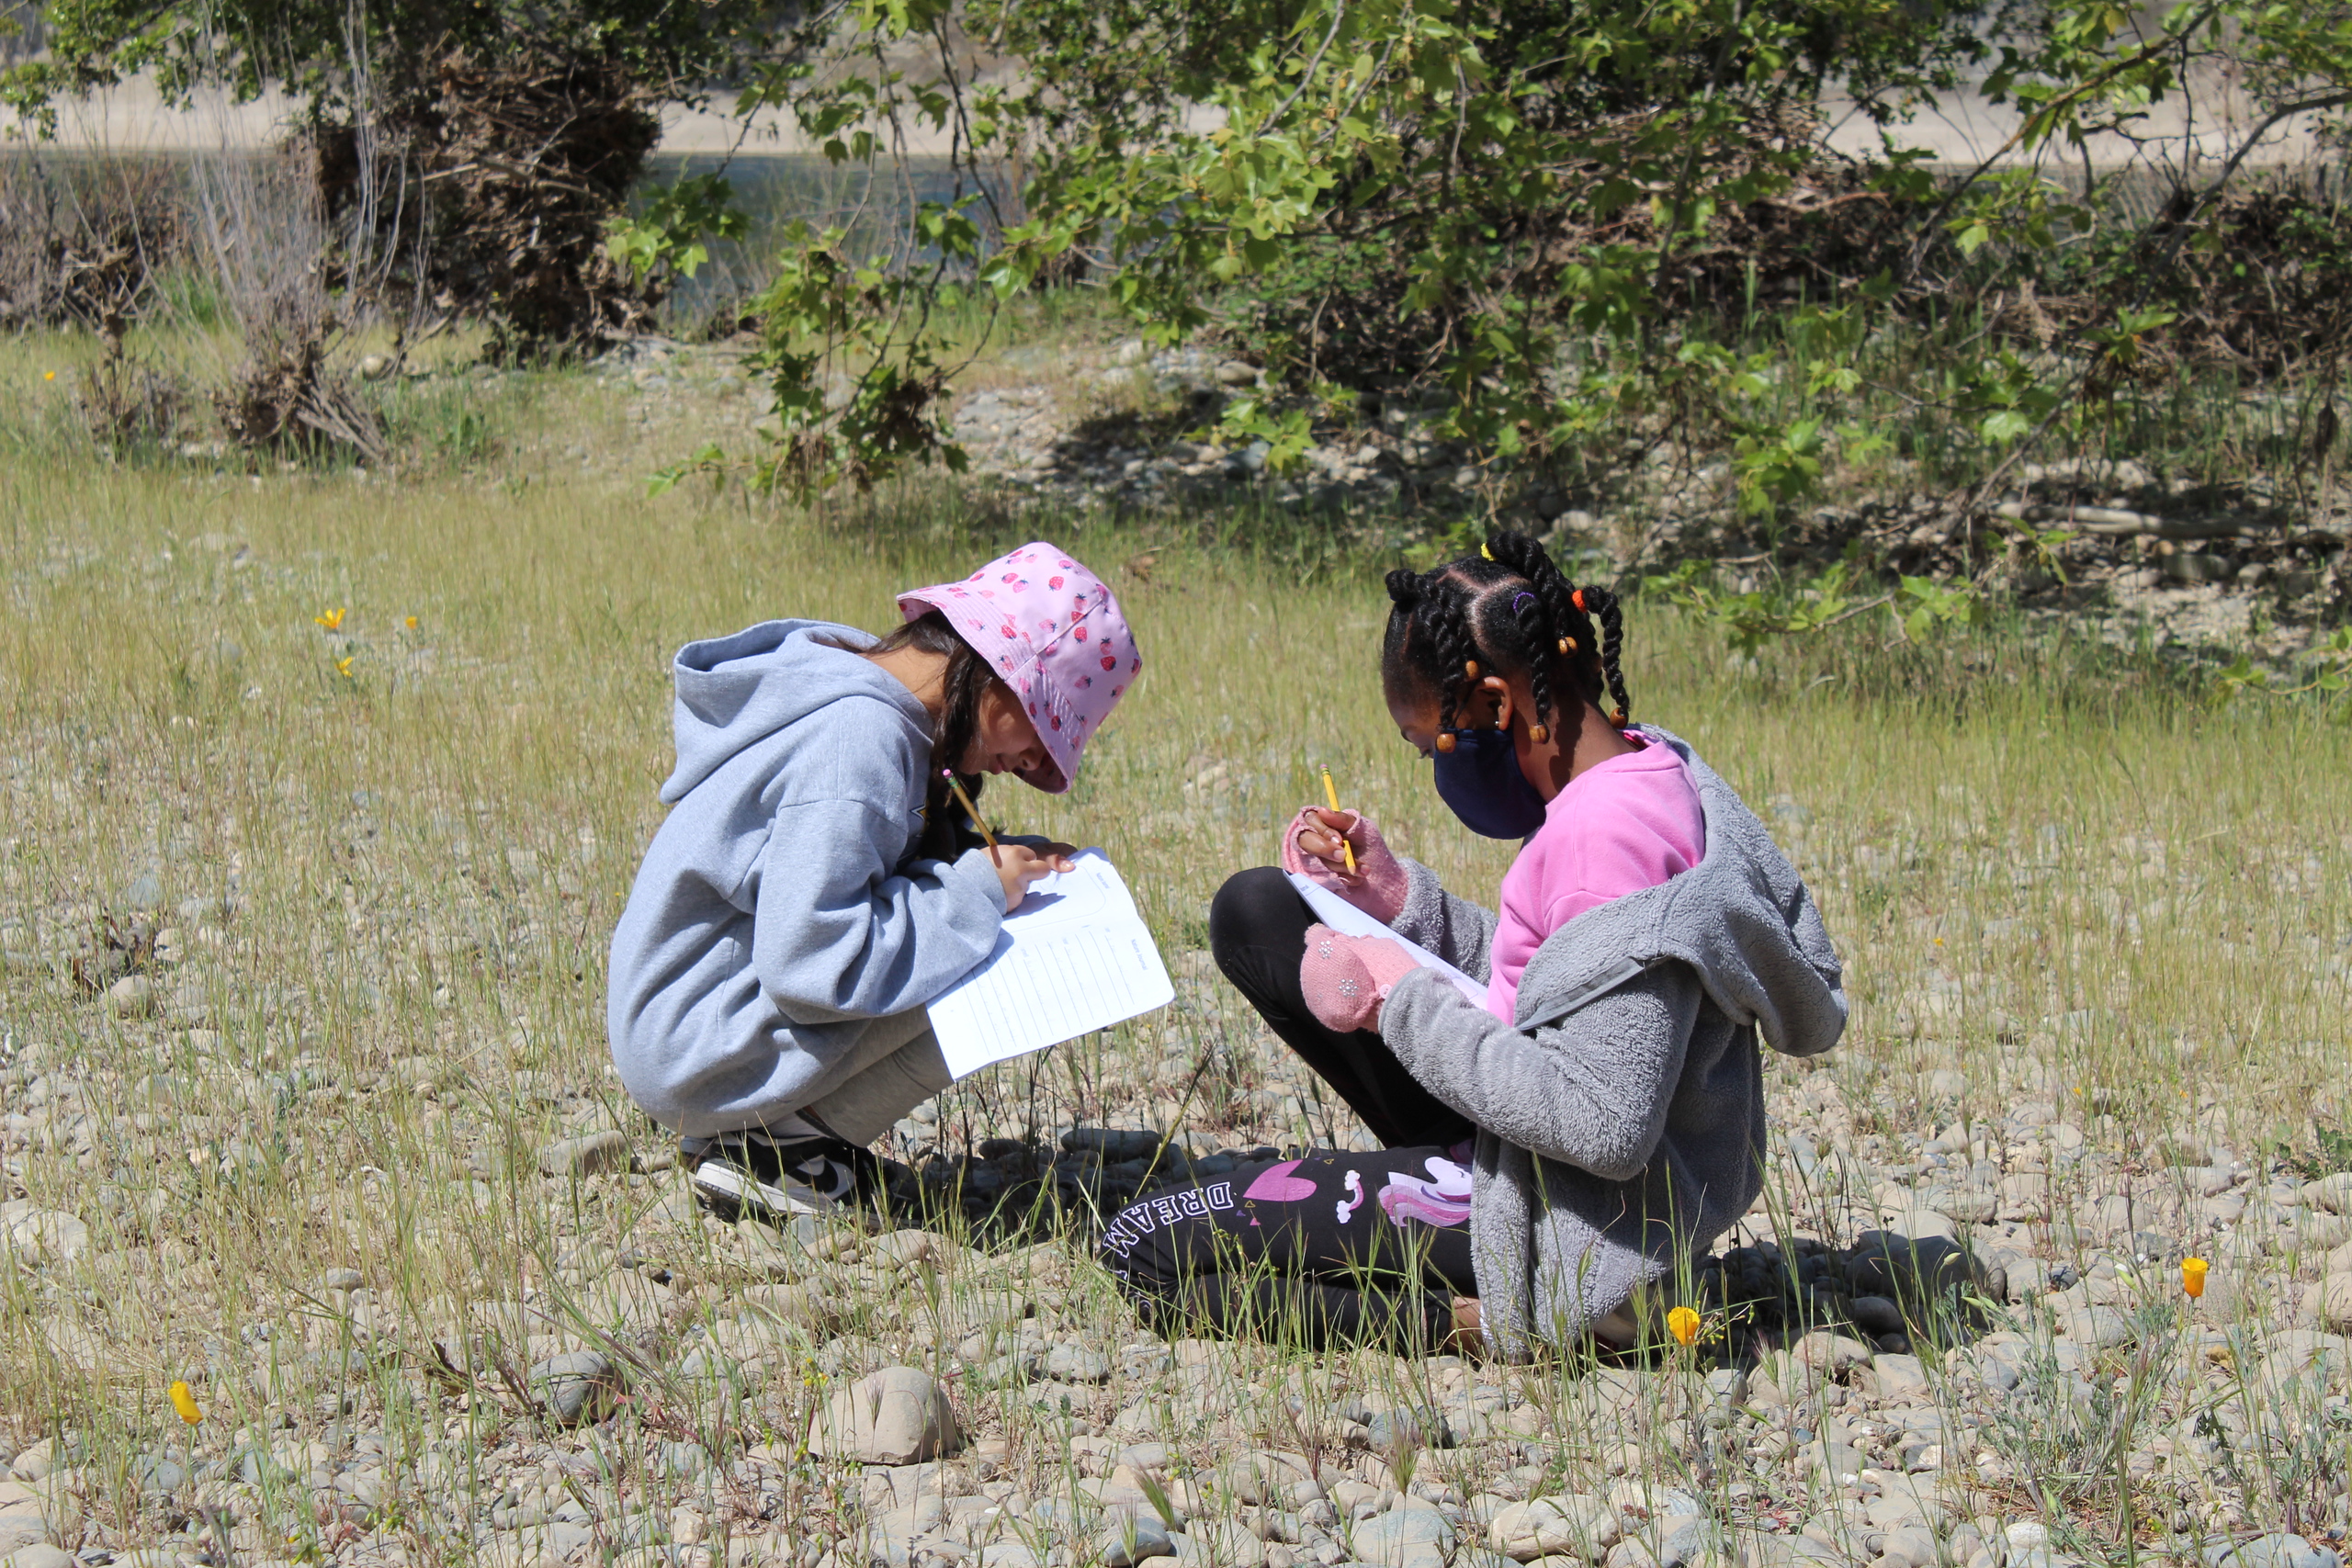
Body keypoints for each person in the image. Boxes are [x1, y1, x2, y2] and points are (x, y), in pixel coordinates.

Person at [1098, 531, 1845, 1357]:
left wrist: (1397, 998)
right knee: (1261, 910)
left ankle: (1513, 1316)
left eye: (1430, 744)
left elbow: (1606, 1124)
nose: (1435, 768)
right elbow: (1565, 984)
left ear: (1494, 703)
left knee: (1146, 1242)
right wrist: (1398, 901)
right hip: (1537, 1159)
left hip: (1563, 1218)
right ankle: (1488, 1245)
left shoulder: (1604, 844)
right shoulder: (1646, 773)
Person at [608, 542, 1143, 1218]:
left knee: (982, 922)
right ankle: (773, 1148)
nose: (1035, 757)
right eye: (1044, 722)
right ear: (998, 668)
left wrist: (999, 857)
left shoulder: (872, 690)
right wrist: (979, 891)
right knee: (996, 948)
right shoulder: (858, 740)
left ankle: (780, 1141)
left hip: (694, 1018)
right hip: (696, 1045)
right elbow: (811, 962)